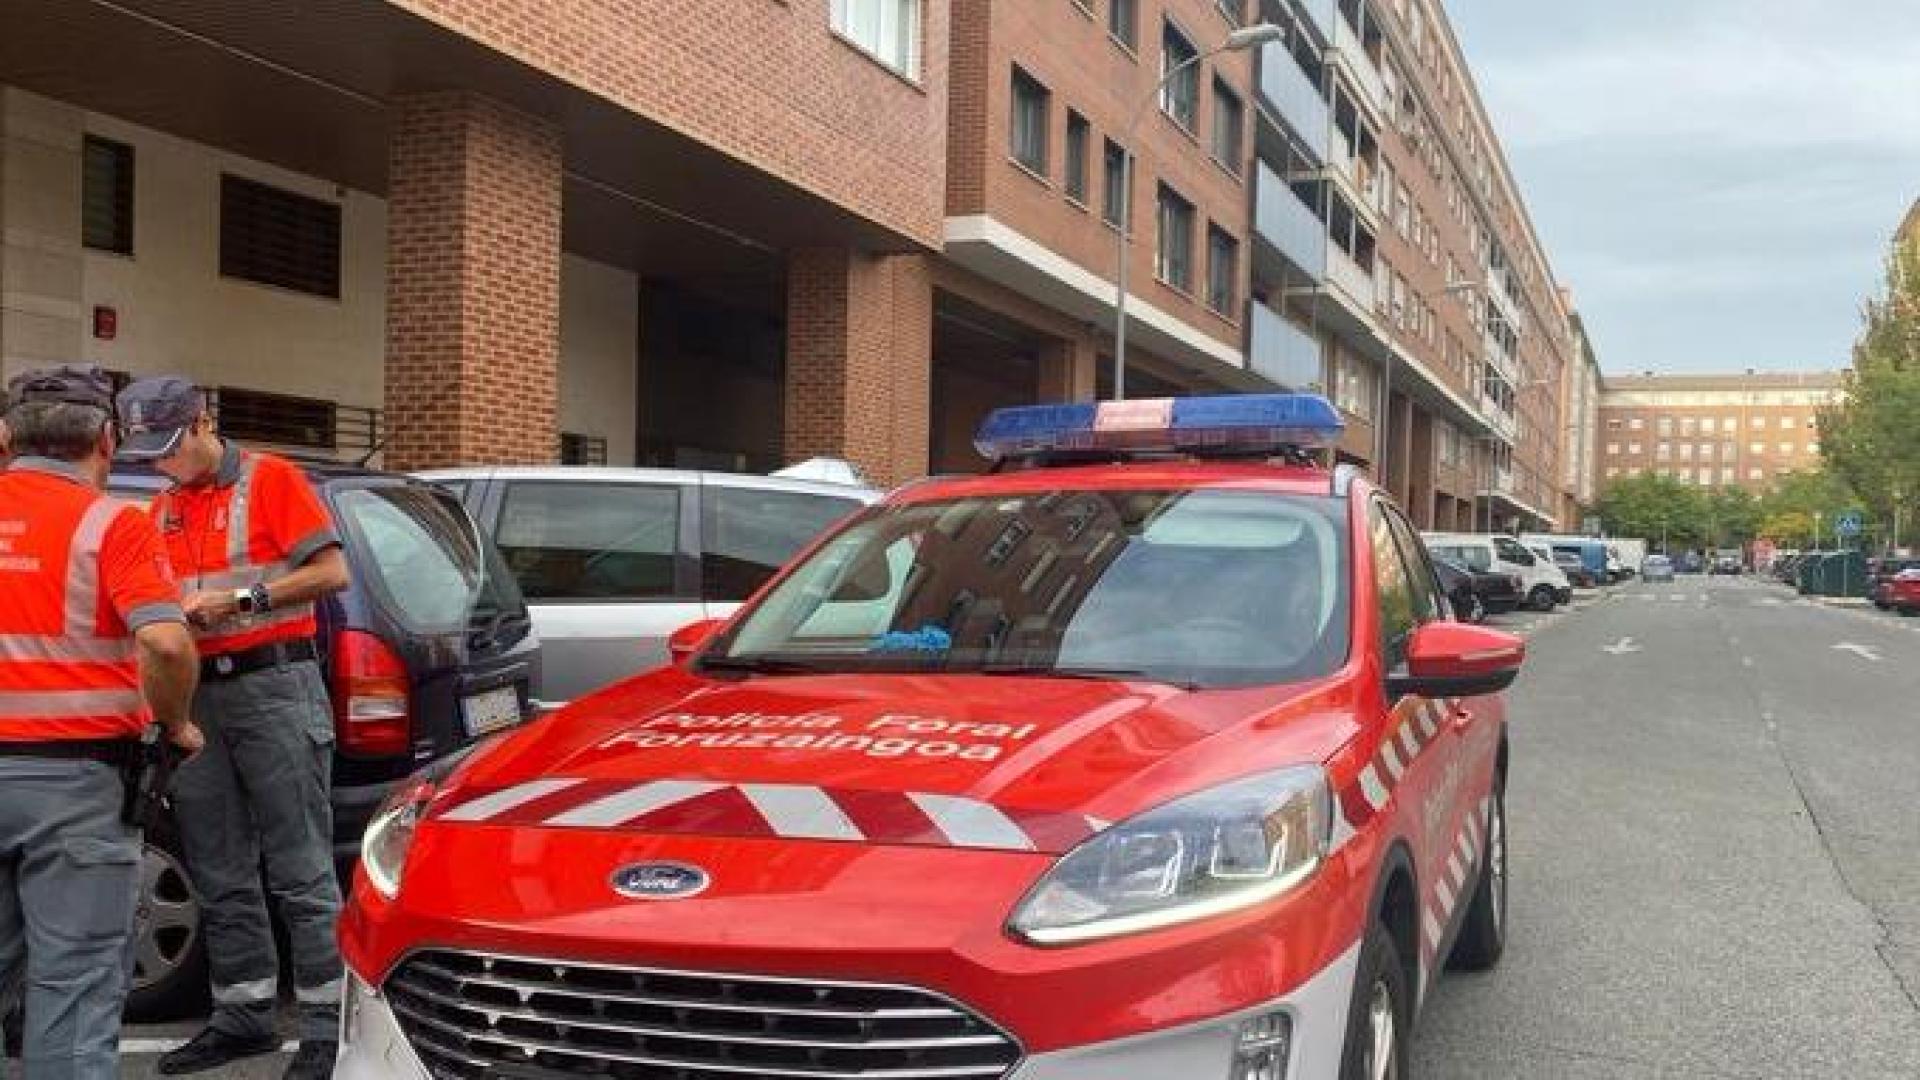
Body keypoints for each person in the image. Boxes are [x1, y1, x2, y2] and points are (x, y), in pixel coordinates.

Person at [115, 377, 350, 1079]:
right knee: (219, 867)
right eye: (149, 453)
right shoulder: (161, 508)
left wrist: (244, 598)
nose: (161, 464)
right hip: (198, 699)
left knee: (302, 869)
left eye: (169, 448)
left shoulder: (273, 480)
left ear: (203, 423)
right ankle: (242, 1016)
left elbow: (333, 572)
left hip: (275, 686)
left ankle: (325, 1029)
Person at [0, 364, 202, 1080]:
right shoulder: (112, 523)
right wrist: (175, 722)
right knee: (74, 991)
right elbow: (167, 642)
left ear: (5, 437)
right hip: (76, 787)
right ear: (107, 442)